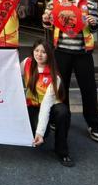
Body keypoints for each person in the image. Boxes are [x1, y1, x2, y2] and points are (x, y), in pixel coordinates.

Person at [42, 0, 98, 143]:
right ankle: (61, 119)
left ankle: (94, 124)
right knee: (61, 89)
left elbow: (96, 25)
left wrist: (93, 23)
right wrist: (46, 19)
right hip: (61, 51)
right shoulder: (53, 4)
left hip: (83, 52)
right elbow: (48, 25)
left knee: (88, 89)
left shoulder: (87, 4)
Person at [22, 38, 73, 167]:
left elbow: (46, 106)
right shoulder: (27, 63)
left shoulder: (54, 76)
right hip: (32, 106)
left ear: (49, 54)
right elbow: (11, 73)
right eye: (36, 50)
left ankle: (62, 151)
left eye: (43, 52)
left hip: (49, 107)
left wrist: (39, 132)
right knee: (40, 134)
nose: (39, 54)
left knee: (63, 112)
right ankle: (42, 130)